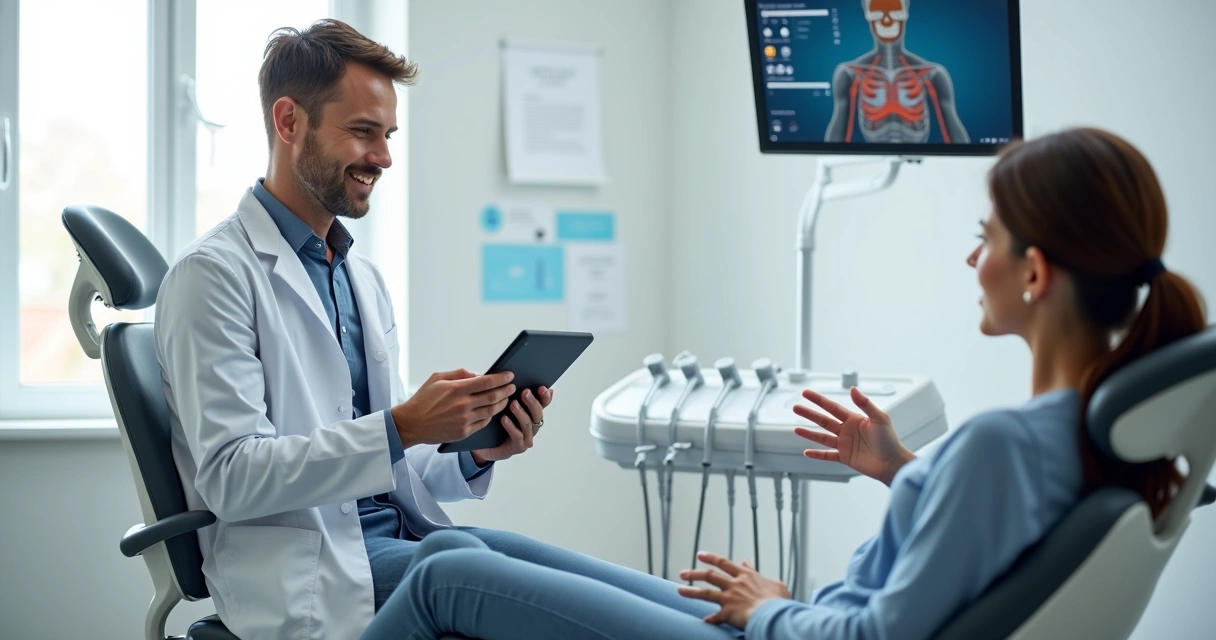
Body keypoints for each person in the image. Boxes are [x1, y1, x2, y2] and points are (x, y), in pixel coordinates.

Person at [360, 127, 1207, 640]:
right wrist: (903, 468)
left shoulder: (1004, 445)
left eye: (986, 237)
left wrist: (768, 607)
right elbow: (988, 522)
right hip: (801, 626)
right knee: (458, 547)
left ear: (1034, 274)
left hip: (795, 632)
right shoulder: (1073, 439)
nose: (970, 258)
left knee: (443, 579)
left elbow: (882, 634)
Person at [156, 19, 723, 640]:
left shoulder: (358, 277)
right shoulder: (211, 277)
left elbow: (392, 471)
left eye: (389, 135)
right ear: (289, 122)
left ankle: (763, 623)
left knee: (606, 586)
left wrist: (473, 445)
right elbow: (232, 478)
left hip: (405, 541)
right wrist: (404, 425)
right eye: (363, 132)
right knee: (495, 577)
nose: (384, 156)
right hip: (315, 576)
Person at [824, 0, 969, 144]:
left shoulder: (932, 73)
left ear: (905, 13)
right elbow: (837, 139)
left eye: (894, 12)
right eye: (877, 14)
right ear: (867, 15)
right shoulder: (850, 73)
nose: (887, 20)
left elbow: (956, 137)